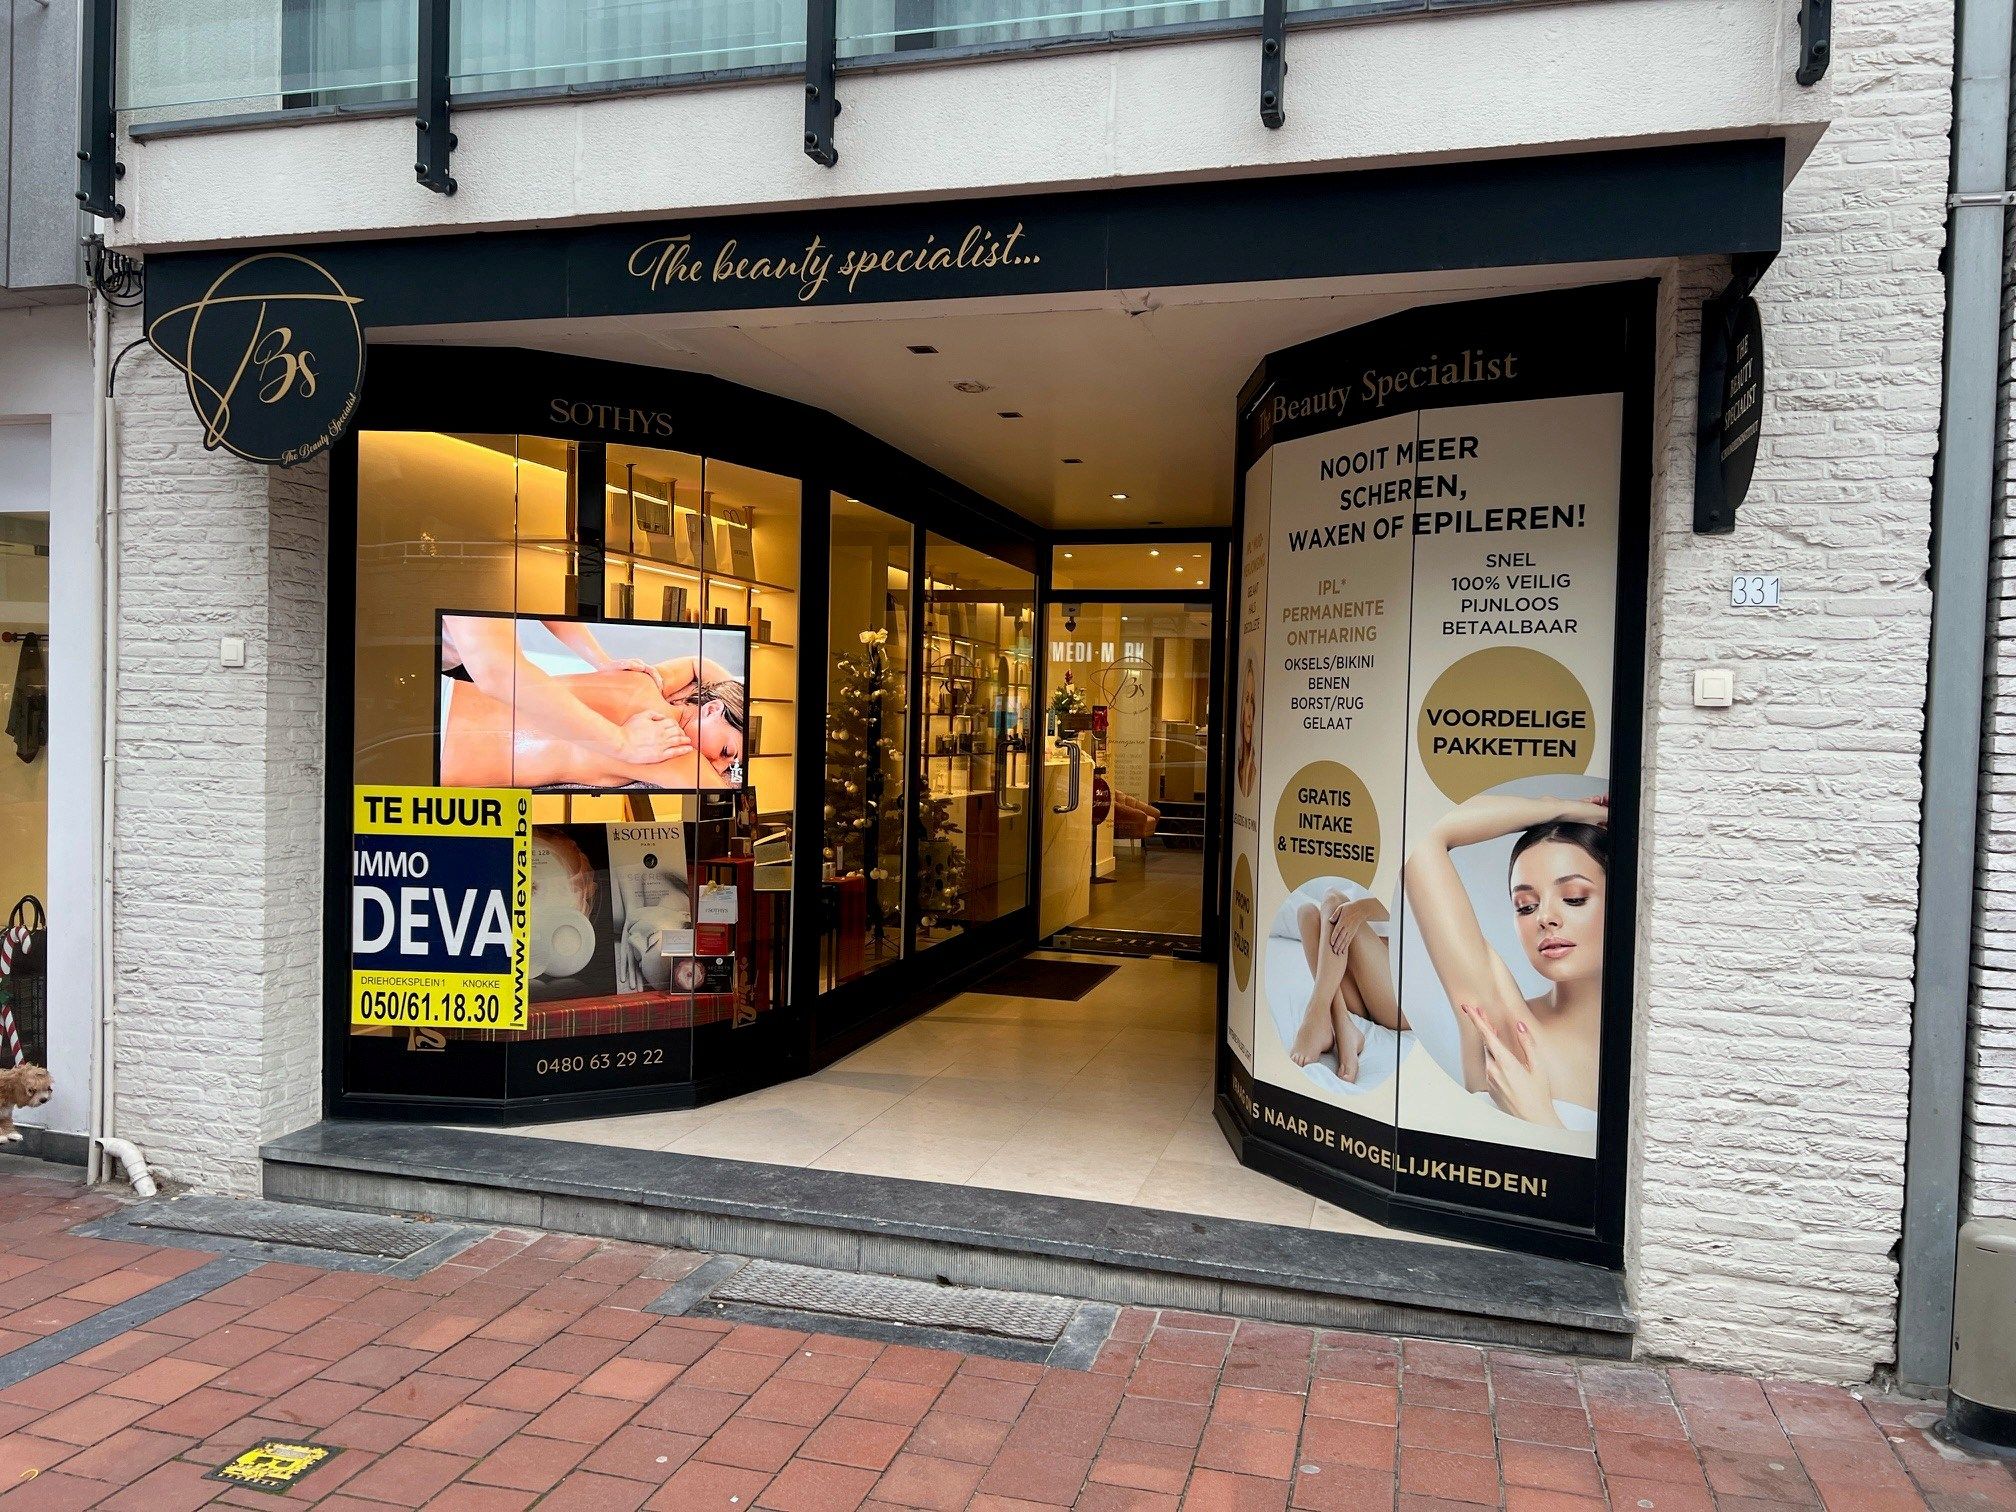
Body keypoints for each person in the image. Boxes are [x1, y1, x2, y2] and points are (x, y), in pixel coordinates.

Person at [1401, 792, 1608, 1126]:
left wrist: (1540, 1117)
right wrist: (1565, 809)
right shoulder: (1508, 1029)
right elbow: (1419, 837)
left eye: (1573, 898)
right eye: (1526, 906)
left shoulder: (1661, 1041)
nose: (1545, 918)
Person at [441, 649, 745, 791]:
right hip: (440, 757)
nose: (717, 766)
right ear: (711, 710)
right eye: (726, 752)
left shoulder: (643, 681)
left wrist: (730, 692)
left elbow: (698, 662)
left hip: (446, 692)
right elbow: (721, 795)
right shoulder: (668, 749)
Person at [441, 615, 685, 768]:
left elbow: (542, 598)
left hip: (459, 660)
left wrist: (600, 660)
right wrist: (623, 743)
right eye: (725, 751)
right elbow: (498, 672)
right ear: (712, 709)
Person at [1288, 887, 1403, 1083]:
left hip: (1398, 994)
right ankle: (1343, 1024)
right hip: (1363, 990)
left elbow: (1412, 904)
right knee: (1306, 913)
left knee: (1335, 899)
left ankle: (1315, 1015)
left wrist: (1361, 909)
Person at [1236, 658, 1258, 798]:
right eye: (1246, 700)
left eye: (1252, 700)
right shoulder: (1238, 767)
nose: (1249, 714)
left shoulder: (1254, 770)